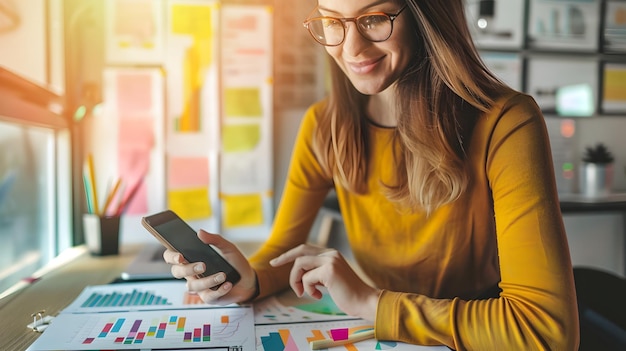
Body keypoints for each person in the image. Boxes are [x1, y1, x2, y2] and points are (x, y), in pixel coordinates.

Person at [164, 0, 580, 349]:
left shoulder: (506, 122)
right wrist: (247, 280)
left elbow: (546, 329)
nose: (351, 47)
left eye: (375, 18)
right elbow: (283, 248)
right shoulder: (323, 125)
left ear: (425, 15)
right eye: (333, 22)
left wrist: (372, 302)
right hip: (382, 333)